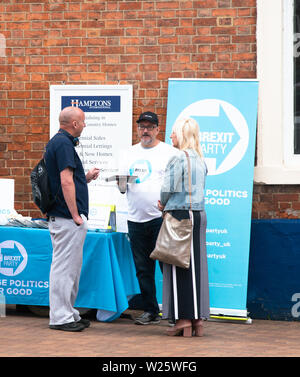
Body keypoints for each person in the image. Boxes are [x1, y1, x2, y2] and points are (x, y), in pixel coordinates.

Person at [118, 111, 177, 325]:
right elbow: (123, 187)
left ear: (157, 129)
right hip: (135, 219)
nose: (145, 130)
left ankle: (173, 313)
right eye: (142, 126)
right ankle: (151, 310)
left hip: (160, 219)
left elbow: (175, 185)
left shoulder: (169, 152)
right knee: (142, 269)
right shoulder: (128, 153)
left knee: (166, 267)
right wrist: (121, 183)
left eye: (149, 127)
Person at [44, 106, 99, 332]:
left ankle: (69, 313)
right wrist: (76, 215)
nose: (85, 125)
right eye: (83, 121)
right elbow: (65, 181)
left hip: (66, 217)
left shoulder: (58, 142)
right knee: (64, 269)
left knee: (71, 269)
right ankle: (60, 317)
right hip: (67, 218)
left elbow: (67, 180)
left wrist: (84, 178)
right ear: (74, 124)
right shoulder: (64, 143)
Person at [158, 117, 210, 337]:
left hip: (179, 215)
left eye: (174, 132)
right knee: (197, 267)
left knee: (177, 267)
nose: (171, 136)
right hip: (198, 215)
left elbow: (167, 188)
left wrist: (162, 202)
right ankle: (197, 320)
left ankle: (182, 320)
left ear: (182, 134)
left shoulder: (179, 158)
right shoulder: (200, 159)